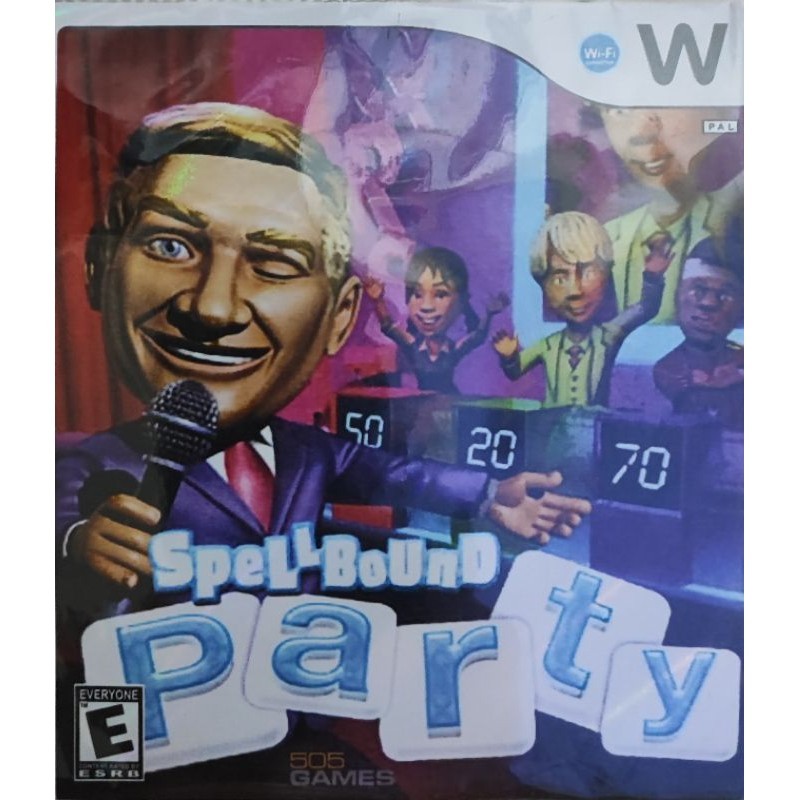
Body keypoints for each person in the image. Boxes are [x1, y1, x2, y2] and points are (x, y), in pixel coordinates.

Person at [56, 102, 591, 606]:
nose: (212, 308)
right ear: (100, 271)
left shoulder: (308, 453)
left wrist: (490, 494)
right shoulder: (95, 461)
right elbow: (58, 522)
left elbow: (398, 474)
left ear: (340, 316)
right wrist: (79, 544)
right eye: (171, 246)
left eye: (274, 263)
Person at [493, 211, 670, 408]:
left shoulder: (608, 337)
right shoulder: (547, 346)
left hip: (595, 423)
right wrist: (508, 357)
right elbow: (515, 371)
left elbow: (646, 308)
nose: (576, 291)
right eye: (560, 279)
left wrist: (653, 277)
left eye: (589, 273)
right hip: (551, 423)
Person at [596, 105, 742, 323]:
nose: (641, 133)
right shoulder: (606, 237)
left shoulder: (734, 228)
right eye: (620, 110)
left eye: (667, 105)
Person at [364, 247, 508, 393]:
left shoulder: (453, 350)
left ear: (461, 302)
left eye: (440, 294)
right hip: (422, 401)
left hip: (450, 400)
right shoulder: (413, 346)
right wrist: (378, 300)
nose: (426, 307)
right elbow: (388, 327)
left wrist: (489, 314)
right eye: (417, 294)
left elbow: (478, 336)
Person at [653, 238, 743, 429]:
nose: (709, 303)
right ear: (677, 296)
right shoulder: (668, 369)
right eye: (698, 290)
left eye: (724, 295)